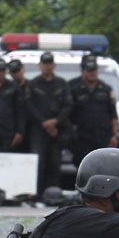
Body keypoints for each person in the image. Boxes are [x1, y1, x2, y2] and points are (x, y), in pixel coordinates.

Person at [26, 51, 72, 197]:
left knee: (54, 163)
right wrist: (44, 123)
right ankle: (36, 195)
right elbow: (29, 107)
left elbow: (68, 105)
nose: (47, 66)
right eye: (45, 63)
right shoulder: (33, 84)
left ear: (54, 65)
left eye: (50, 63)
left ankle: (53, 196)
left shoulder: (62, 83)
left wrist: (55, 121)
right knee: (39, 164)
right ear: (40, 65)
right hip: (39, 131)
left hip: (57, 130)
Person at [68, 54, 118, 167]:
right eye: (89, 70)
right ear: (83, 71)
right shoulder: (73, 88)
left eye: (94, 70)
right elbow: (67, 113)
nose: (92, 73)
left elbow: (113, 114)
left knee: (103, 167)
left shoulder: (105, 88)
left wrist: (114, 135)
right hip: (82, 138)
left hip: (102, 136)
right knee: (83, 167)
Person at [8, 59, 32, 153]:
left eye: (18, 71)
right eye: (14, 72)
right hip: (13, 129)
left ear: (23, 70)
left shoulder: (32, 86)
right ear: (10, 73)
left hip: (31, 128)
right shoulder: (7, 88)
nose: (16, 74)